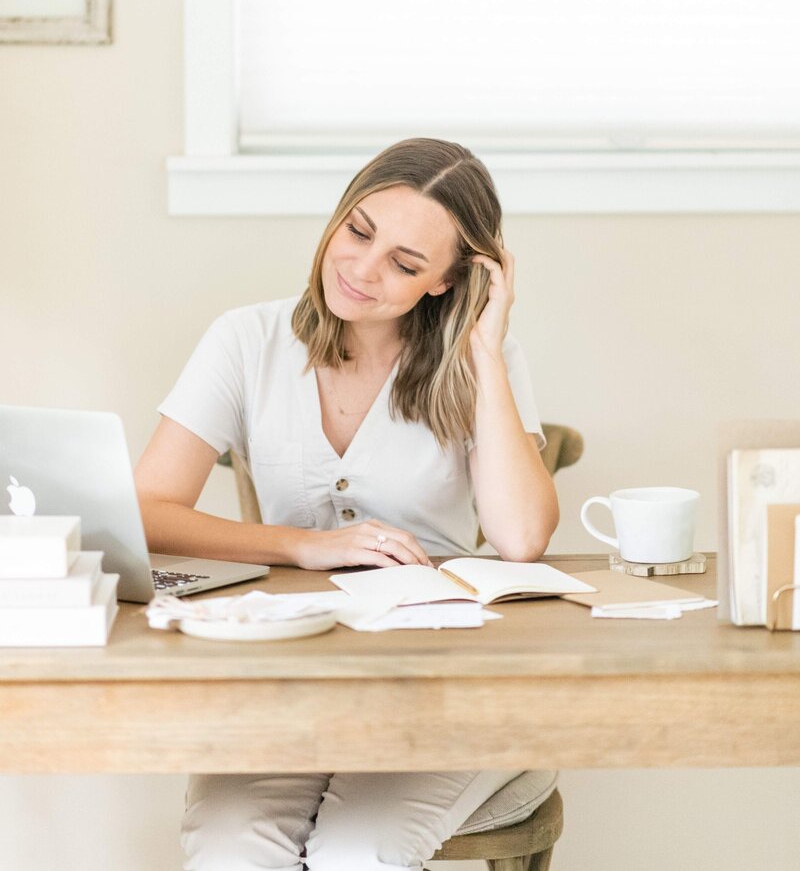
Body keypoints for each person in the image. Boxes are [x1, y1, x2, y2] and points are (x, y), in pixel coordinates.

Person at [134, 137, 559, 871]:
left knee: (359, 851)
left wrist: (487, 350)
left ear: (448, 281)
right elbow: (148, 510)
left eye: (405, 263)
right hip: (289, 683)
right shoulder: (247, 340)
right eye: (359, 232)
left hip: (444, 683)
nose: (362, 269)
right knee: (231, 847)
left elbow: (521, 538)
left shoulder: (482, 360)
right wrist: (302, 545)